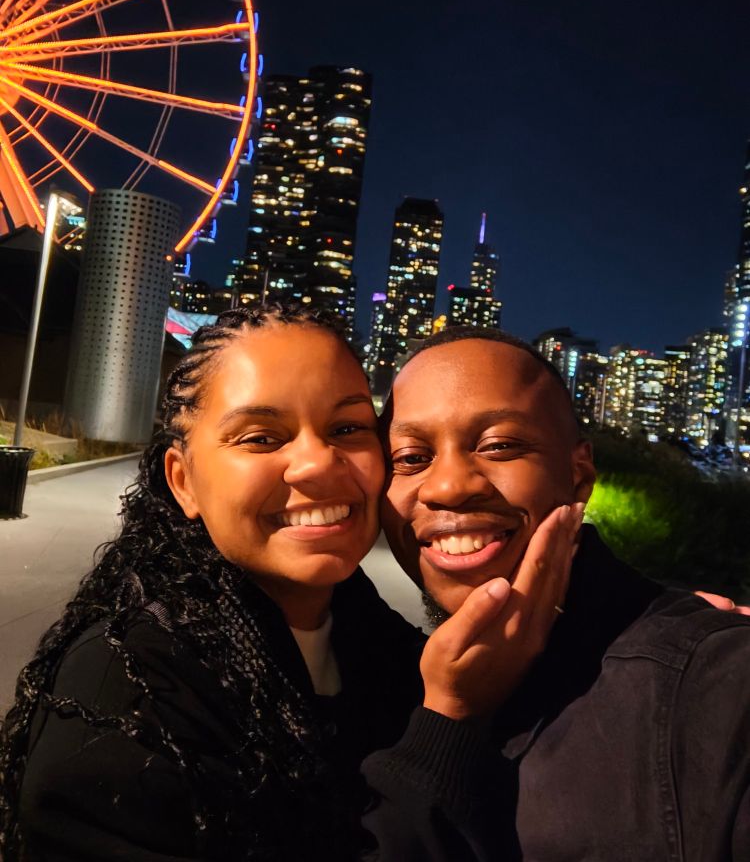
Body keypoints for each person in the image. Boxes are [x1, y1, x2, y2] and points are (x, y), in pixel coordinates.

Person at [0, 305, 576, 862]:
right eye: (261, 438)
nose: (318, 464)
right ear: (184, 482)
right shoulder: (122, 705)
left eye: (347, 427)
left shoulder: (379, 645)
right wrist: (449, 721)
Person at [362, 326, 750, 861]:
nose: (448, 485)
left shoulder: (719, 687)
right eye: (409, 458)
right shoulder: (375, 678)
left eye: (499, 445)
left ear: (579, 475)